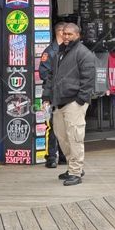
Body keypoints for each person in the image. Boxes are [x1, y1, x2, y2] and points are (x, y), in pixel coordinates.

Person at [43, 23, 95, 186]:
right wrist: (47, 96)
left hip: (74, 101)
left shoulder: (84, 53)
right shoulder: (59, 52)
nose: (66, 37)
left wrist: (80, 100)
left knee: (75, 137)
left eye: (70, 34)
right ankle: (73, 167)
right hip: (59, 101)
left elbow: (89, 79)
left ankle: (75, 172)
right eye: (64, 33)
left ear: (78, 35)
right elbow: (51, 76)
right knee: (61, 136)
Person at [40, 22, 67, 169]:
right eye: (66, 32)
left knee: (64, 125)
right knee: (51, 126)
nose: (67, 35)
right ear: (60, 32)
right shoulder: (50, 51)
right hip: (52, 93)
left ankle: (63, 155)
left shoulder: (69, 50)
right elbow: (44, 73)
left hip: (65, 93)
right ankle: (51, 156)